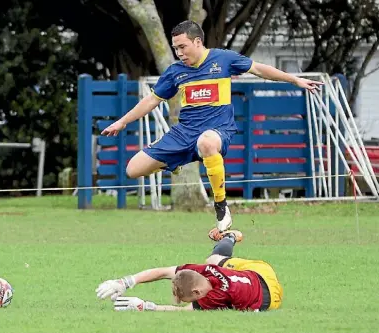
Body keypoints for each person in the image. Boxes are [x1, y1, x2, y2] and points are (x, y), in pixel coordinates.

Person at [101, 20, 322, 239]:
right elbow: (151, 100)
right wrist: (122, 122)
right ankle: (174, 163)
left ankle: (221, 205)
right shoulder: (175, 72)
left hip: (218, 130)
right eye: (175, 48)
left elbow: (259, 69)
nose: (178, 53)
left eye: (182, 47)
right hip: (184, 133)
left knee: (206, 142)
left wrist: (293, 79)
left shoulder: (223, 59)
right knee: (133, 169)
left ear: (197, 42)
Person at [96, 230, 283, 312]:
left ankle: (230, 235)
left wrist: (144, 306)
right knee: (213, 261)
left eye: (188, 298)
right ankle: (231, 236)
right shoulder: (203, 271)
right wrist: (124, 282)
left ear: (196, 292)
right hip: (261, 271)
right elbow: (162, 272)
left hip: (271, 299)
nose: (179, 301)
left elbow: (183, 311)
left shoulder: (214, 296)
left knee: (214, 261)